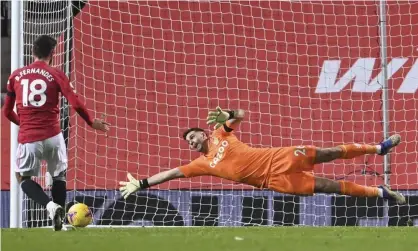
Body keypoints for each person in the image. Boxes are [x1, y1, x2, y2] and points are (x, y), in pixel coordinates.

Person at [119, 106, 405, 205]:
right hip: (274, 182)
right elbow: (170, 174)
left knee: (328, 154)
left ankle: (378, 148)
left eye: (192, 137)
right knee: (328, 187)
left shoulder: (221, 133)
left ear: (204, 133)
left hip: (279, 158)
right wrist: (142, 183)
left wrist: (228, 115)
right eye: (188, 142)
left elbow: (242, 115)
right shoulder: (200, 164)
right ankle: (381, 192)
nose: (191, 143)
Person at [2, 35, 110, 231]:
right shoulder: (56, 74)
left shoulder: (15, 76)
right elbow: (75, 102)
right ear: (53, 53)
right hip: (54, 136)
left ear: (32, 52)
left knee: (23, 178)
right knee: (58, 177)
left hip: (29, 138)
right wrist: (91, 122)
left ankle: (50, 207)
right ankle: (59, 222)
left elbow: (7, 112)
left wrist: (24, 123)